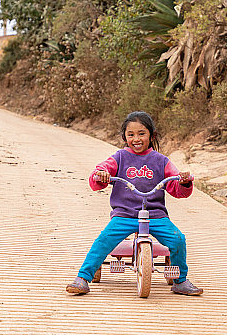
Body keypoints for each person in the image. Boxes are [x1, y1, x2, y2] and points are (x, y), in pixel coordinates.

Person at [66, 111, 203, 296]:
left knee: (178, 239)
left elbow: (175, 187)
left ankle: (180, 281)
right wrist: (102, 174)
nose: (136, 139)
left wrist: (184, 181)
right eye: (131, 135)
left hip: (155, 214)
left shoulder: (161, 161)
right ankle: (82, 278)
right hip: (125, 213)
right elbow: (100, 172)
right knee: (104, 240)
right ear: (124, 137)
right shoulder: (120, 157)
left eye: (141, 134)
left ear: (151, 135)